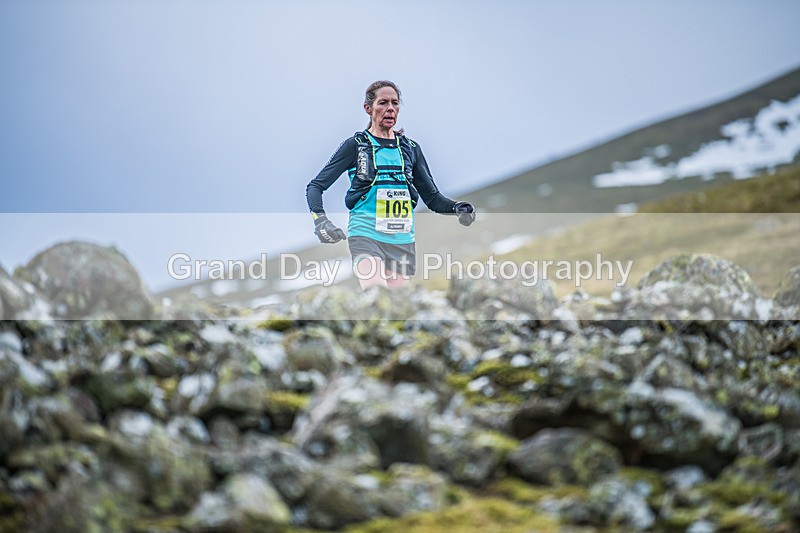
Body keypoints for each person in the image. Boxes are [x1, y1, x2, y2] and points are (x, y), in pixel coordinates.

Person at [306, 80, 476, 290]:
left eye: (395, 103)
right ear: (368, 108)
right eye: (383, 103)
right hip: (366, 235)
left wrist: (457, 207)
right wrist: (321, 221)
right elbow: (315, 186)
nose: (390, 109)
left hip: (401, 240)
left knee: (397, 307)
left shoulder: (411, 148)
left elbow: (432, 198)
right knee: (376, 295)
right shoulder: (356, 146)